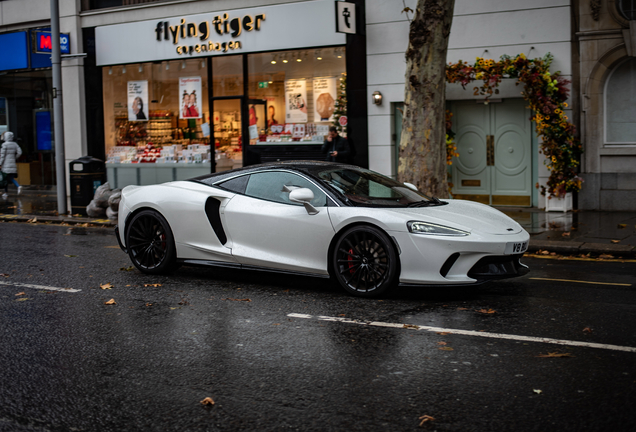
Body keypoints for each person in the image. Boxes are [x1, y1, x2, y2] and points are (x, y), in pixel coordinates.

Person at [0, 131, 23, 199]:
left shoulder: (4, 145)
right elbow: (20, 152)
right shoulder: (15, 144)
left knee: (5, 179)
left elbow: (2, 156)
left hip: (5, 165)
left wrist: (0, 164)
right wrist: (14, 158)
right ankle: (18, 186)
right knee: (11, 178)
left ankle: (6, 193)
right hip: (13, 164)